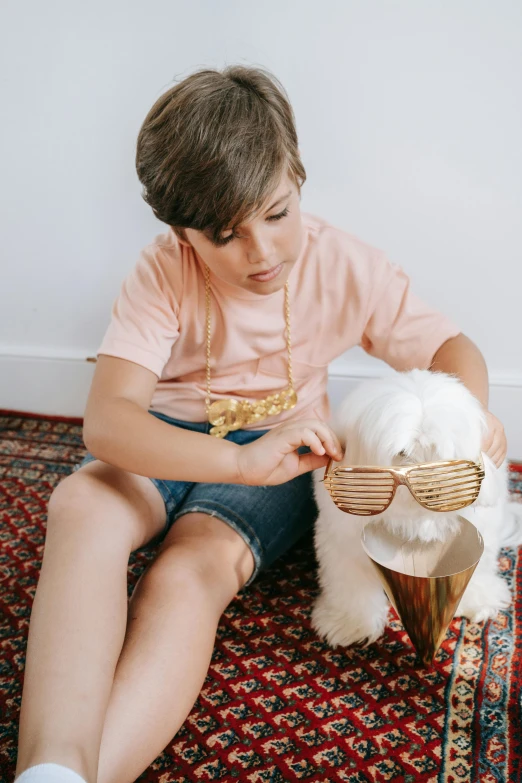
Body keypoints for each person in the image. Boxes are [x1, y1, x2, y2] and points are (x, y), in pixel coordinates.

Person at [14, 65, 507, 783]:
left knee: (189, 570)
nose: (262, 252)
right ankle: (51, 767)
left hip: (285, 457)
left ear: (298, 177)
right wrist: (233, 461)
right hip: (167, 440)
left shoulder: (341, 264)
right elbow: (109, 420)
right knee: (82, 503)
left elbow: (449, 347)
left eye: (277, 214)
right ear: (182, 231)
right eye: (224, 234)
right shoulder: (162, 272)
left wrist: (470, 414)